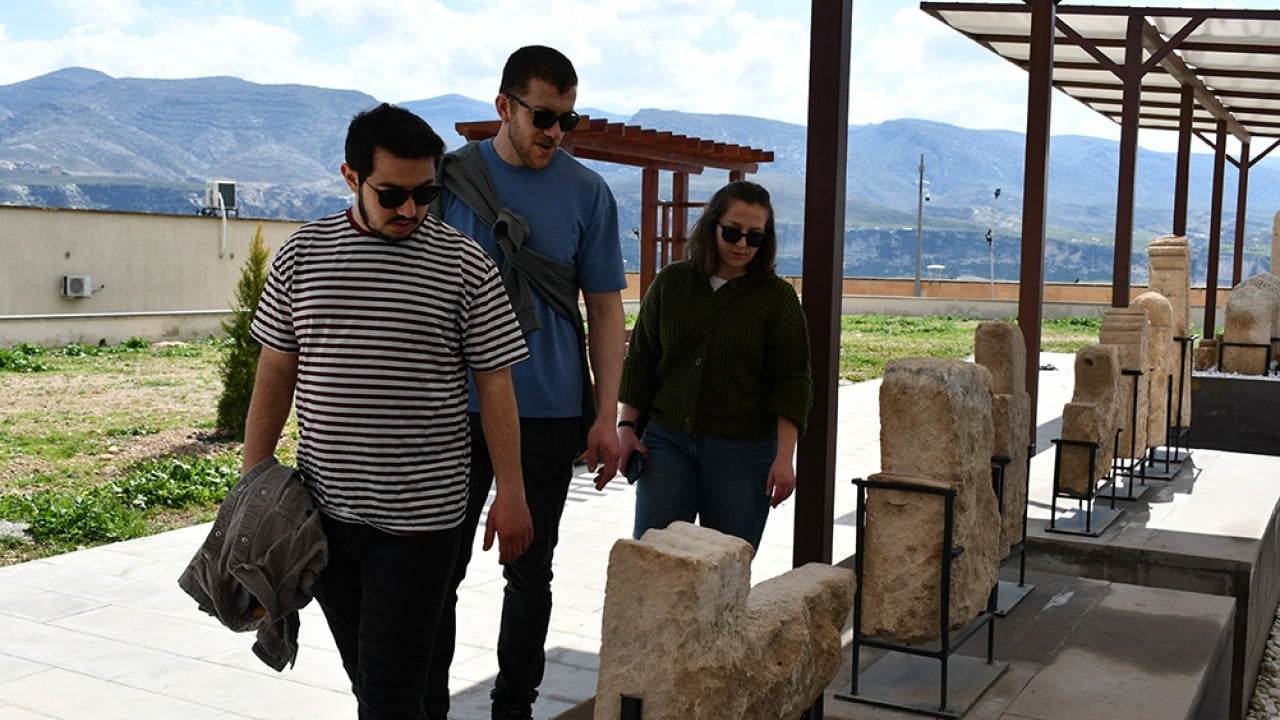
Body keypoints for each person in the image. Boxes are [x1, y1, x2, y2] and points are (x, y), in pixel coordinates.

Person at [241, 102, 534, 719]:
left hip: (423, 521)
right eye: (392, 194)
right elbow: (276, 369)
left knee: (389, 695)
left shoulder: (464, 264)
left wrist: (512, 491)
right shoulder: (302, 256)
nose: (411, 209)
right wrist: (253, 480)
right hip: (324, 516)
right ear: (351, 178)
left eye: (425, 192)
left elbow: (497, 385)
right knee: (375, 680)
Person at [426, 46, 626, 720]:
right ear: (504, 107)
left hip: (544, 409)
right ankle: (426, 703)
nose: (554, 132)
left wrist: (605, 415)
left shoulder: (588, 192)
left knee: (530, 571)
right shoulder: (448, 182)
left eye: (568, 120)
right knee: (438, 572)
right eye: (542, 116)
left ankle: (513, 706)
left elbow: (603, 307)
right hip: (454, 411)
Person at [617, 180, 813, 550]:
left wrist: (784, 459)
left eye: (755, 237)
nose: (742, 244)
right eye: (732, 232)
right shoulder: (672, 282)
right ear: (712, 226)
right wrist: (627, 426)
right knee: (656, 559)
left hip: (743, 452)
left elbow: (792, 382)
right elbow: (643, 358)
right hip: (667, 442)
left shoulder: (777, 299)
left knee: (726, 566)